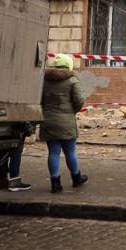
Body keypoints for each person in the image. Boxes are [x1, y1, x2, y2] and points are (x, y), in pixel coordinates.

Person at [40, 54, 88, 193]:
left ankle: (55, 183)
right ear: (69, 65)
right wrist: (72, 111)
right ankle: (76, 178)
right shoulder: (72, 80)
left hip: (48, 121)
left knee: (53, 153)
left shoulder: (44, 80)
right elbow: (79, 101)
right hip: (66, 122)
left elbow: (40, 99)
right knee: (70, 151)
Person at [0, 122, 35, 192]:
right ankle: (14, 181)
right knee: (15, 157)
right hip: (16, 134)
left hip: (1, 132)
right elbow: (24, 124)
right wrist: (29, 129)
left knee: (3, 156)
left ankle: (2, 180)